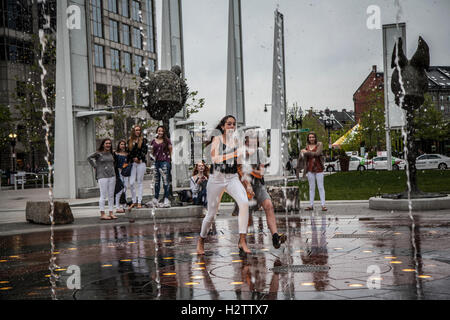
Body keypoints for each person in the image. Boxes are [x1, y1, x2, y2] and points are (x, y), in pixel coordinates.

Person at [196, 115, 251, 256]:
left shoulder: (237, 141)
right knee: (211, 214)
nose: (232, 127)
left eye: (234, 124)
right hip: (216, 179)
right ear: (222, 126)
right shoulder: (217, 139)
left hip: (232, 178)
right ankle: (201, 240)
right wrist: (232, 153)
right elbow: (215, 158)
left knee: (244, 203)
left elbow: (239, 163)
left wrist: (246, 180)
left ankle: (242, 240)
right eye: (229, 124)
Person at [235, 131, 287, 249]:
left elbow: (261, 174)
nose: (253, 142)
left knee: (269, 205)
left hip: (258, 185)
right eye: (250, 140)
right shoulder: (240, 154)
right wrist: (248, 184)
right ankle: (242, 240)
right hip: (243, 185)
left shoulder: (260, 152)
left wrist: (250, 170)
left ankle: (275, 236)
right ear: (246, 141)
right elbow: (240, 173)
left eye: (255, 140)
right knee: (247, 216)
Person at [87, 138, 118, 220]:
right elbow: (89, 158)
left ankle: (111, 212)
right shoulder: (98, 153)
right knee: (103, 195)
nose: (108, 145)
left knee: (111, 195)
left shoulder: (111, 153)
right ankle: (102, 213)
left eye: (109, 143)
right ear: (103, 144)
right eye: (106, 143)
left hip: (112, 175)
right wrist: (95, 166)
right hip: (102, 176)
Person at [297, 132, 327, 211]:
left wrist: (306, 152)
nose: (311, 139)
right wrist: (301, 153)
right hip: (310, 169)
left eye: (313, 137)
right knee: (311, 188)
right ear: (308, 138)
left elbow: (317, 154)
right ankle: (311, 205)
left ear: (315, 138)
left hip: (319, 168)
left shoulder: (319, 144)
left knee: (320, 187)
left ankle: (323, 205)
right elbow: (303, 158)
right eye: (310, 137)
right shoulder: (307, 147)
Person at [151, 126, 173, 208]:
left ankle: (166, 198)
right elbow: (152, 152)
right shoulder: (153, 141)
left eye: (162, 131)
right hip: (156, 162)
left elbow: (171, 150)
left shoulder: (167, 140)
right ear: (157, 131)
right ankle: (156, 198)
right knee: (156, 181)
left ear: (164, 132)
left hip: (164, 162)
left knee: (165, 181)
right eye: (159, 131)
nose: (160, 132)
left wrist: (170, 161)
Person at [128, 125, 148, 209]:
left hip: (141, 163)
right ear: (133, 131)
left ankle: (139, 201)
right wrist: (133, 158)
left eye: (139, 130)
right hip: (133, 163)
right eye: (136, 130)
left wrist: (139, 158)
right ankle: (134, 201)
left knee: (140, 182)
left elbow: (144, 151)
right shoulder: (129, 140)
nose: (138, 131)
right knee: (131, 183)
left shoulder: (143, 140)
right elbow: (128, 151)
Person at [114, 140, 131, 213]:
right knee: (119, 190)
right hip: (119, 172)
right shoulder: (116, 153)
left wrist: (125, 167)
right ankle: (117, 206)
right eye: (121, 144)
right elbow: (114, 163)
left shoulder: (127, 154)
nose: (123, 146)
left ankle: (124, 205)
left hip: (125, 172)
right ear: (119, 145)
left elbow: (128, 162)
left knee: (125, 188)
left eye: (124, 144)